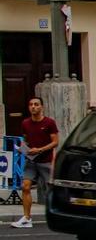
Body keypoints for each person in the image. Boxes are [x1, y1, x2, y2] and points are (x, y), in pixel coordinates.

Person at [11, 97, 58, 229]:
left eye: (36, 104)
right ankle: (27, 218)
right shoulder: (25, 123)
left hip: (46, 161)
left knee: (50, 190)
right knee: (25, 187)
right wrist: (23, 148)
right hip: (31, 161)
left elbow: (55, 142)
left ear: (41, 107)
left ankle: (56, 215)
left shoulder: (49, 123)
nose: (33, 107)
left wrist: (41, 149)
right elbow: (25, 139)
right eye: (31, 104)